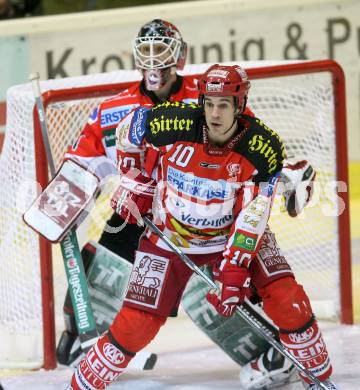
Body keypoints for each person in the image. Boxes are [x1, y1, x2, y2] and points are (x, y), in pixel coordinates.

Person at [66, 64, 338, 390]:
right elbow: (127, 132)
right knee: (135, 326)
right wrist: (136, 183)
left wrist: (234, 272)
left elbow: (253, 215)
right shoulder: (173, 120)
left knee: (286, 299)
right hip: (170, 236)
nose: (214, 113)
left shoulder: (263, 146)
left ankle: (317, 375)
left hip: (231, 235)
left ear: (240, 104)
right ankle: (80, 386)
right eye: (209, 103)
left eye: (223, 104)